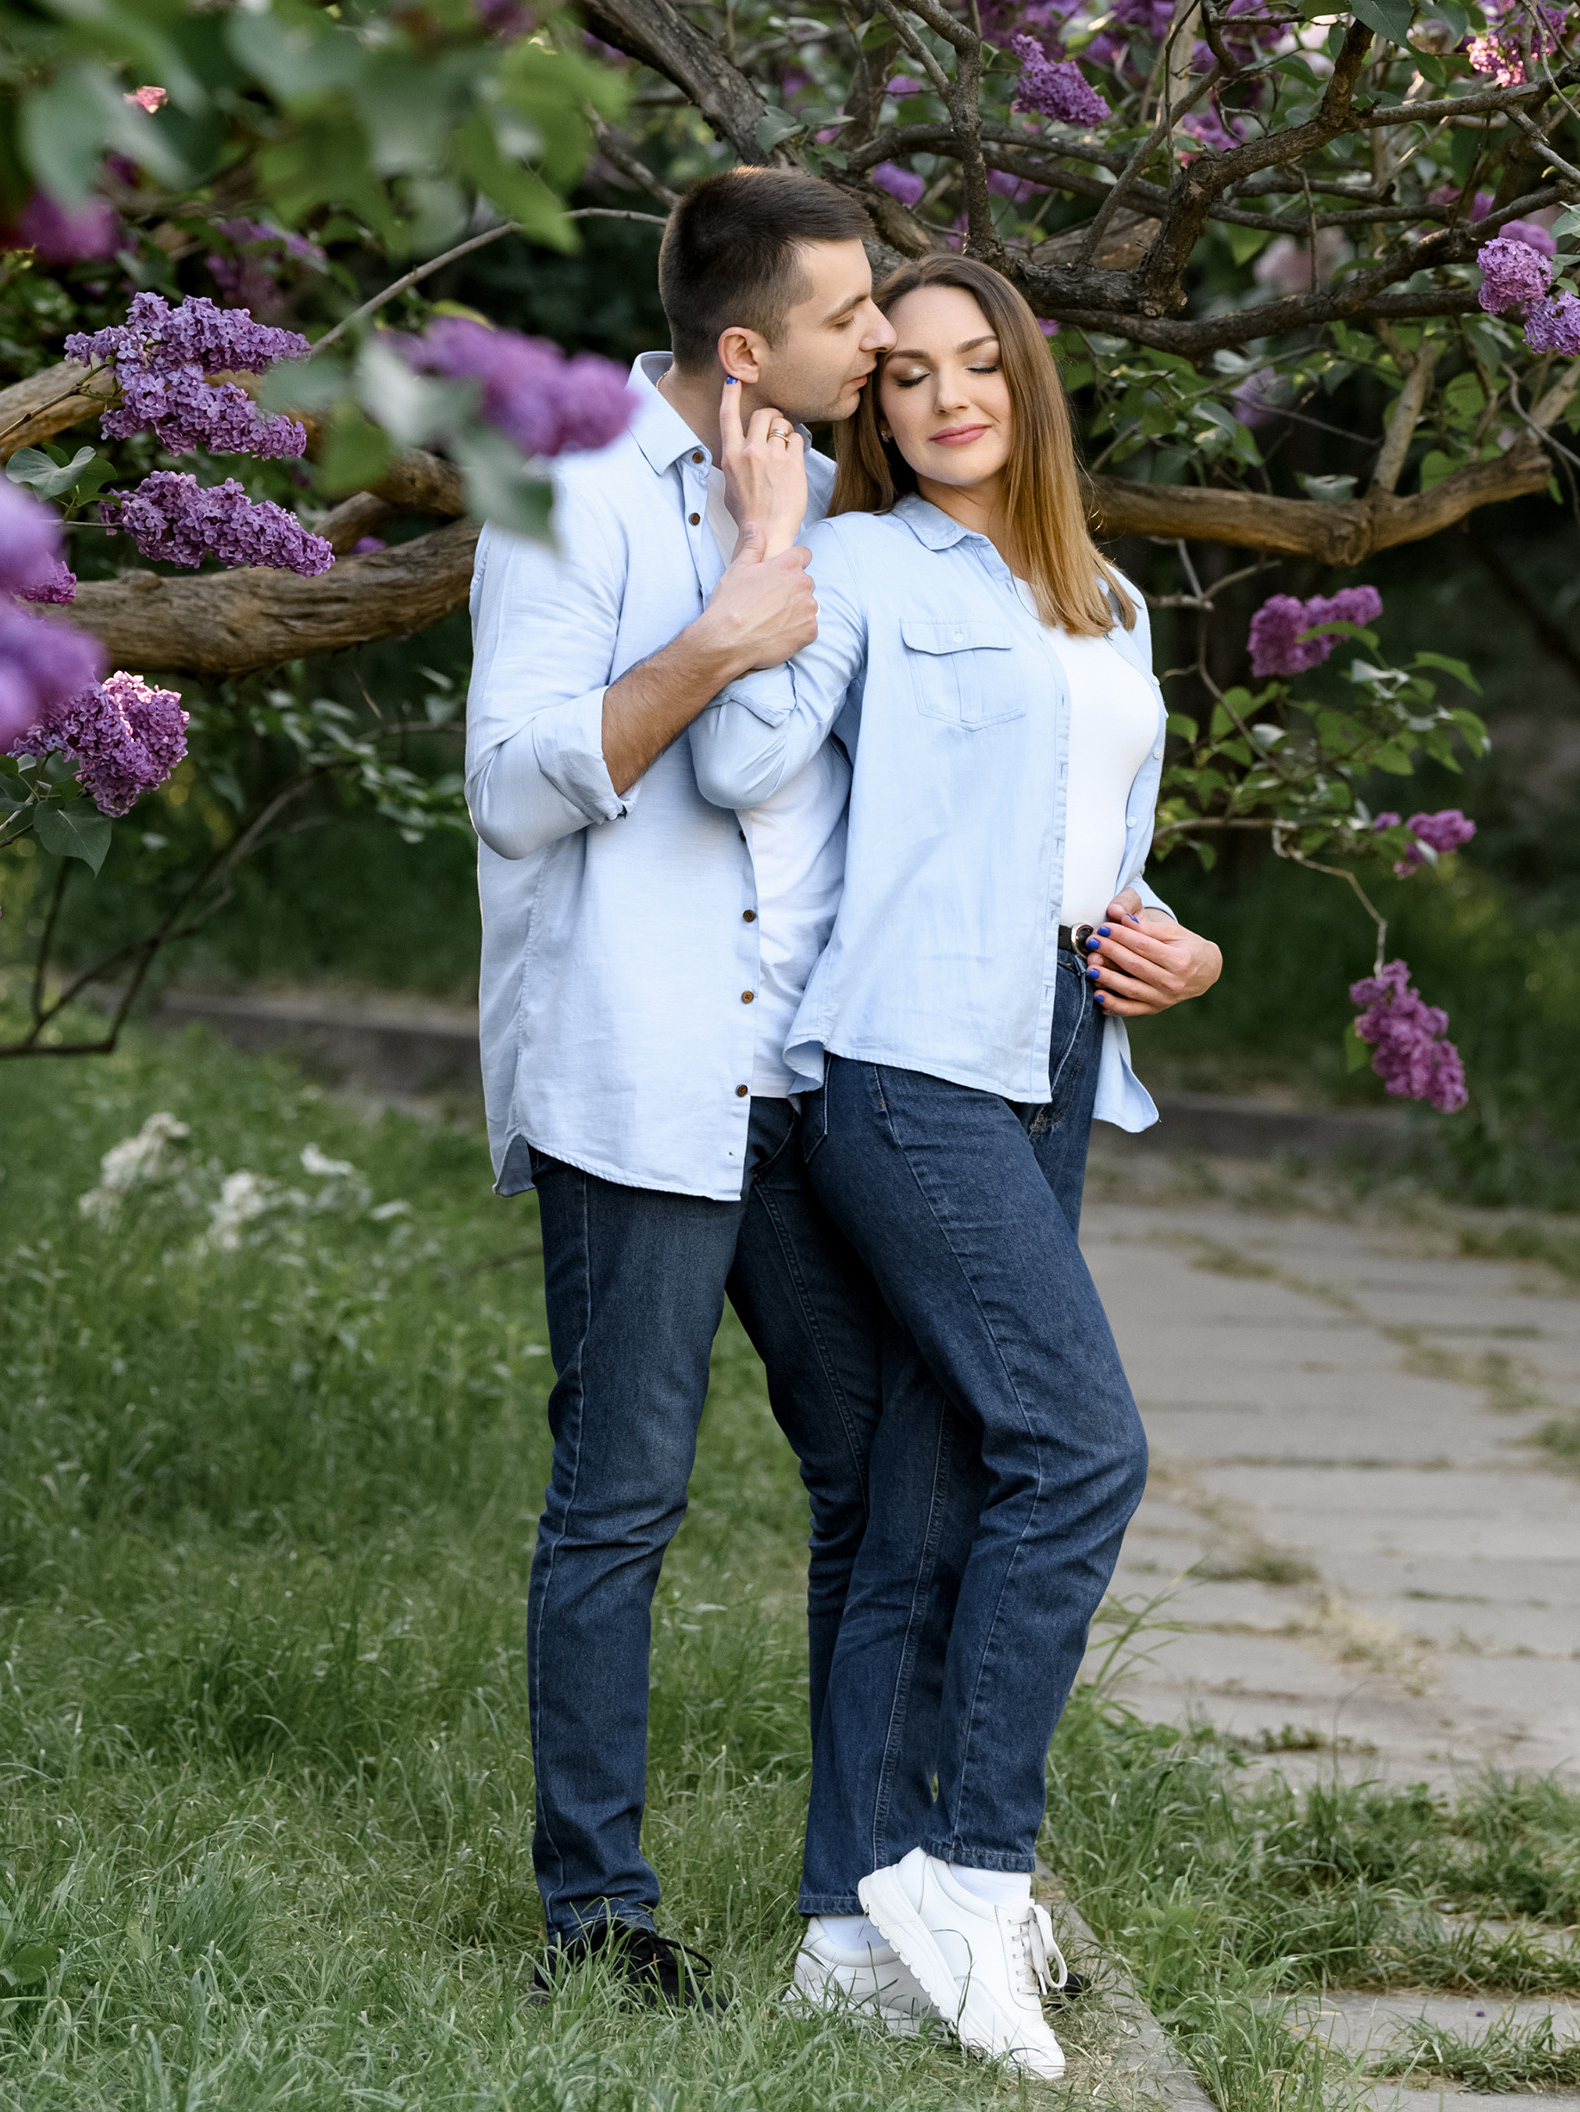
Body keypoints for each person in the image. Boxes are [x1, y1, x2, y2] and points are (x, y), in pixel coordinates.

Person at [691, 251, 1223, 2081]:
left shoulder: (1112, 600)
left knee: (922, 1504)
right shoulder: (854, 568)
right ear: (876, 406)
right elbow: (734, 757)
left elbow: (1097, 853)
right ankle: (976, 1877)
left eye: (975, 365)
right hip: (907, 1062)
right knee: (1080, 1450)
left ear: (1030, 383)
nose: (942, 399)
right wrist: (763, 557)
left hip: (1057, 1057)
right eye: (903, 373)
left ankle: (848, 1928)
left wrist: (1186, 954)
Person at [464, 165, 908, 2007]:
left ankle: (871, 1890)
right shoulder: (566, 500)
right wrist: (725, 625)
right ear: (748, 349)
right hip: (645, 1080)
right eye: (848, 317)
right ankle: (598, 1920)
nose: (880, 341)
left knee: (882, 1479)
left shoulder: (827, 490)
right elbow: (510, 782)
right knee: (623, 1499)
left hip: (805, 1077)